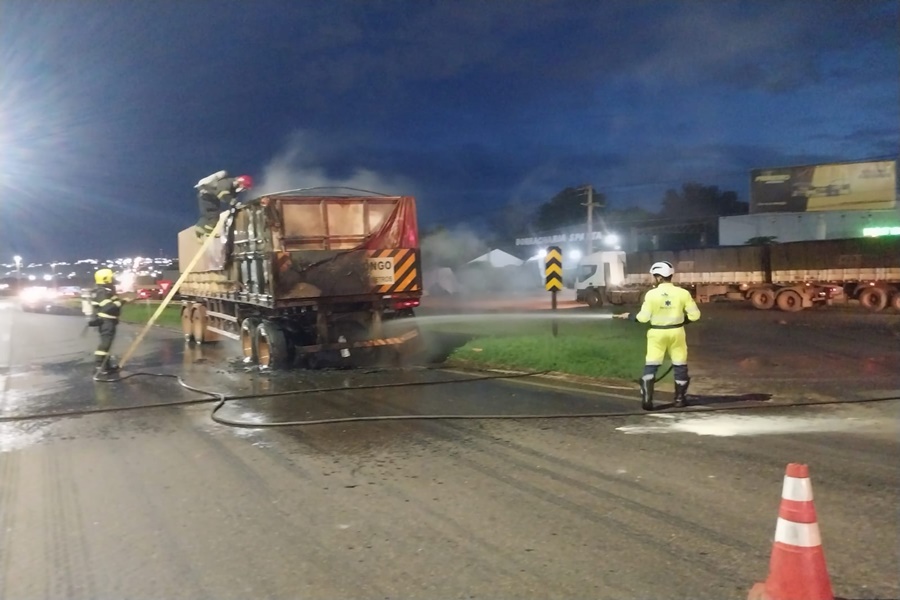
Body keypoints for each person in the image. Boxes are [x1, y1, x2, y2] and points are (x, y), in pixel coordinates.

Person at [614, 261, 701, 410]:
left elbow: (643, 318)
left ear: (659, 277)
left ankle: (647, 400)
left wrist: (629, 316)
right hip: (677, 333)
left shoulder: (651, 294)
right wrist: (681, 321)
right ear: (670, 276)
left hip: (656, 334)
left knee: (652, 365)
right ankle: (680, 399)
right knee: (680, 365)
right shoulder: (683, 293)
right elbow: (695, 315)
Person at [89, 268, 126, 375]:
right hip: (106, 322)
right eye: (111, 277)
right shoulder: (102, 292)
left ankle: (106, 366)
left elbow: (112, 301)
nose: (113, 279)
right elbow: (108, 307)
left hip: (107, 322)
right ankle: (100, 366)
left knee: (107, 345)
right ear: (106, 279)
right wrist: (122, 302)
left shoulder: (104, 291)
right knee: (105, 345)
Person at [194, 170, 253, 237]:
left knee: (209, 214)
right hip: (207, 197)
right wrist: (232, 202)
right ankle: (208, 232)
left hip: (210, 198)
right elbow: (222, 194)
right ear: (241, 182)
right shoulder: (227, 182)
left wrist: (233, 206)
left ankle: (200, 228)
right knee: (213, 215)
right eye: (244, 187)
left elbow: (230, 199)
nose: (243, 189)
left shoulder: (233, 188)